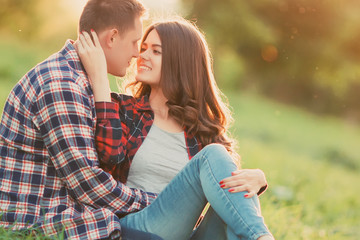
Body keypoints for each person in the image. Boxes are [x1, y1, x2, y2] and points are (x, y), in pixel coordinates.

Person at [76, 18, 274, 240]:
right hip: (135, 228)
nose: (142, 56)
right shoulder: (123, 111)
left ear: (180, 62)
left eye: (156, 51)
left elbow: (226, 187)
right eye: (143, 48)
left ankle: (259, 236)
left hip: (182, 235)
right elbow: (107, 157)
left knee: (238, 191)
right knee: (214, 154)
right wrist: (100, 80)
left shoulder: (201, 131)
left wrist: (258, 179)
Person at [0, 0, 163, 239]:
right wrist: (160, 201)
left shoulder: (79, 79)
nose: (136, 52)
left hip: (72, 217)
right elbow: (89, 186)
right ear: (112, 37)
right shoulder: (61, 84)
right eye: (134, 41)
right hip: (41, 224)